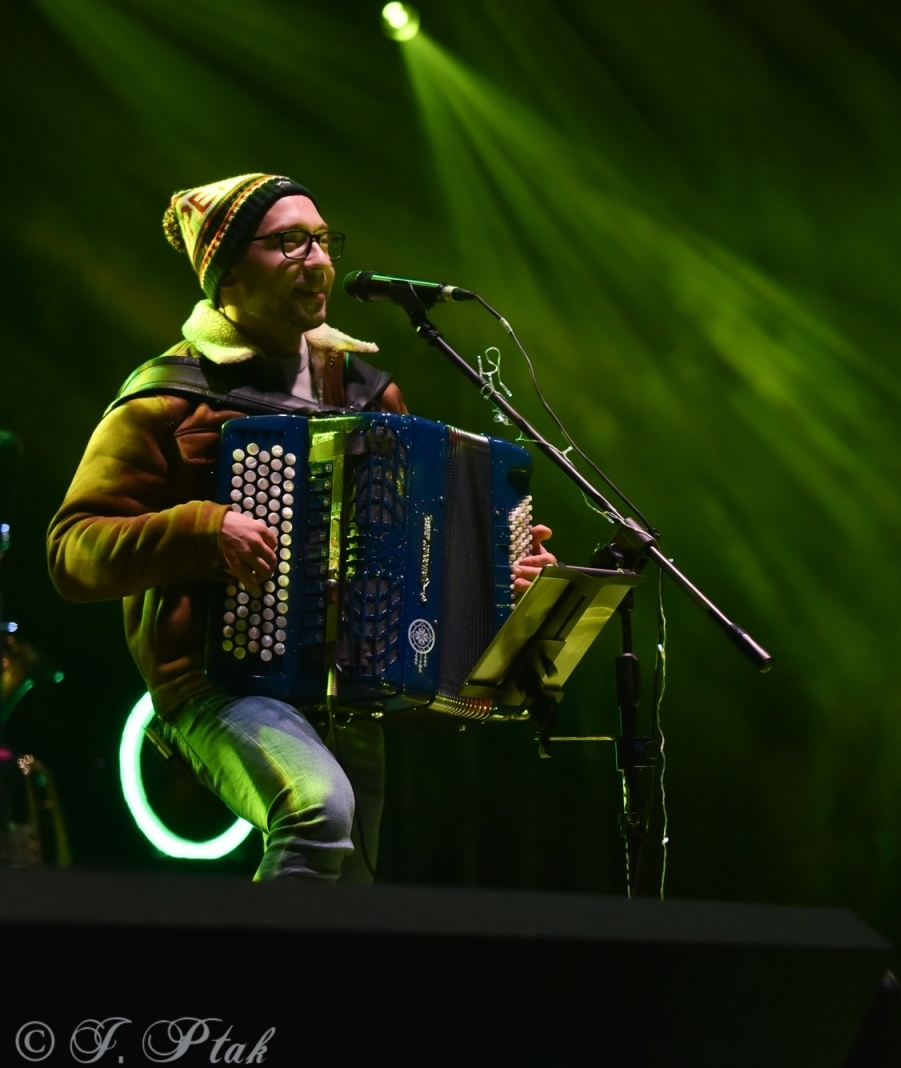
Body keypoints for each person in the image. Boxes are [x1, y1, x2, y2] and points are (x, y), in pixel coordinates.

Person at [47, 173, 556, 881]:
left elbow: (420, 555)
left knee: (350, 898)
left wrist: (500, 578)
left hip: (351, 688)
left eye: (322, 240)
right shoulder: (169, 397)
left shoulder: (366, 392)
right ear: (227, 268)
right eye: (289, 242)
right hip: (216, 682)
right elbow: (72, 550)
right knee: (318, 812)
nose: (318, 261)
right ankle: (261, 991)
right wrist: (205, 528)